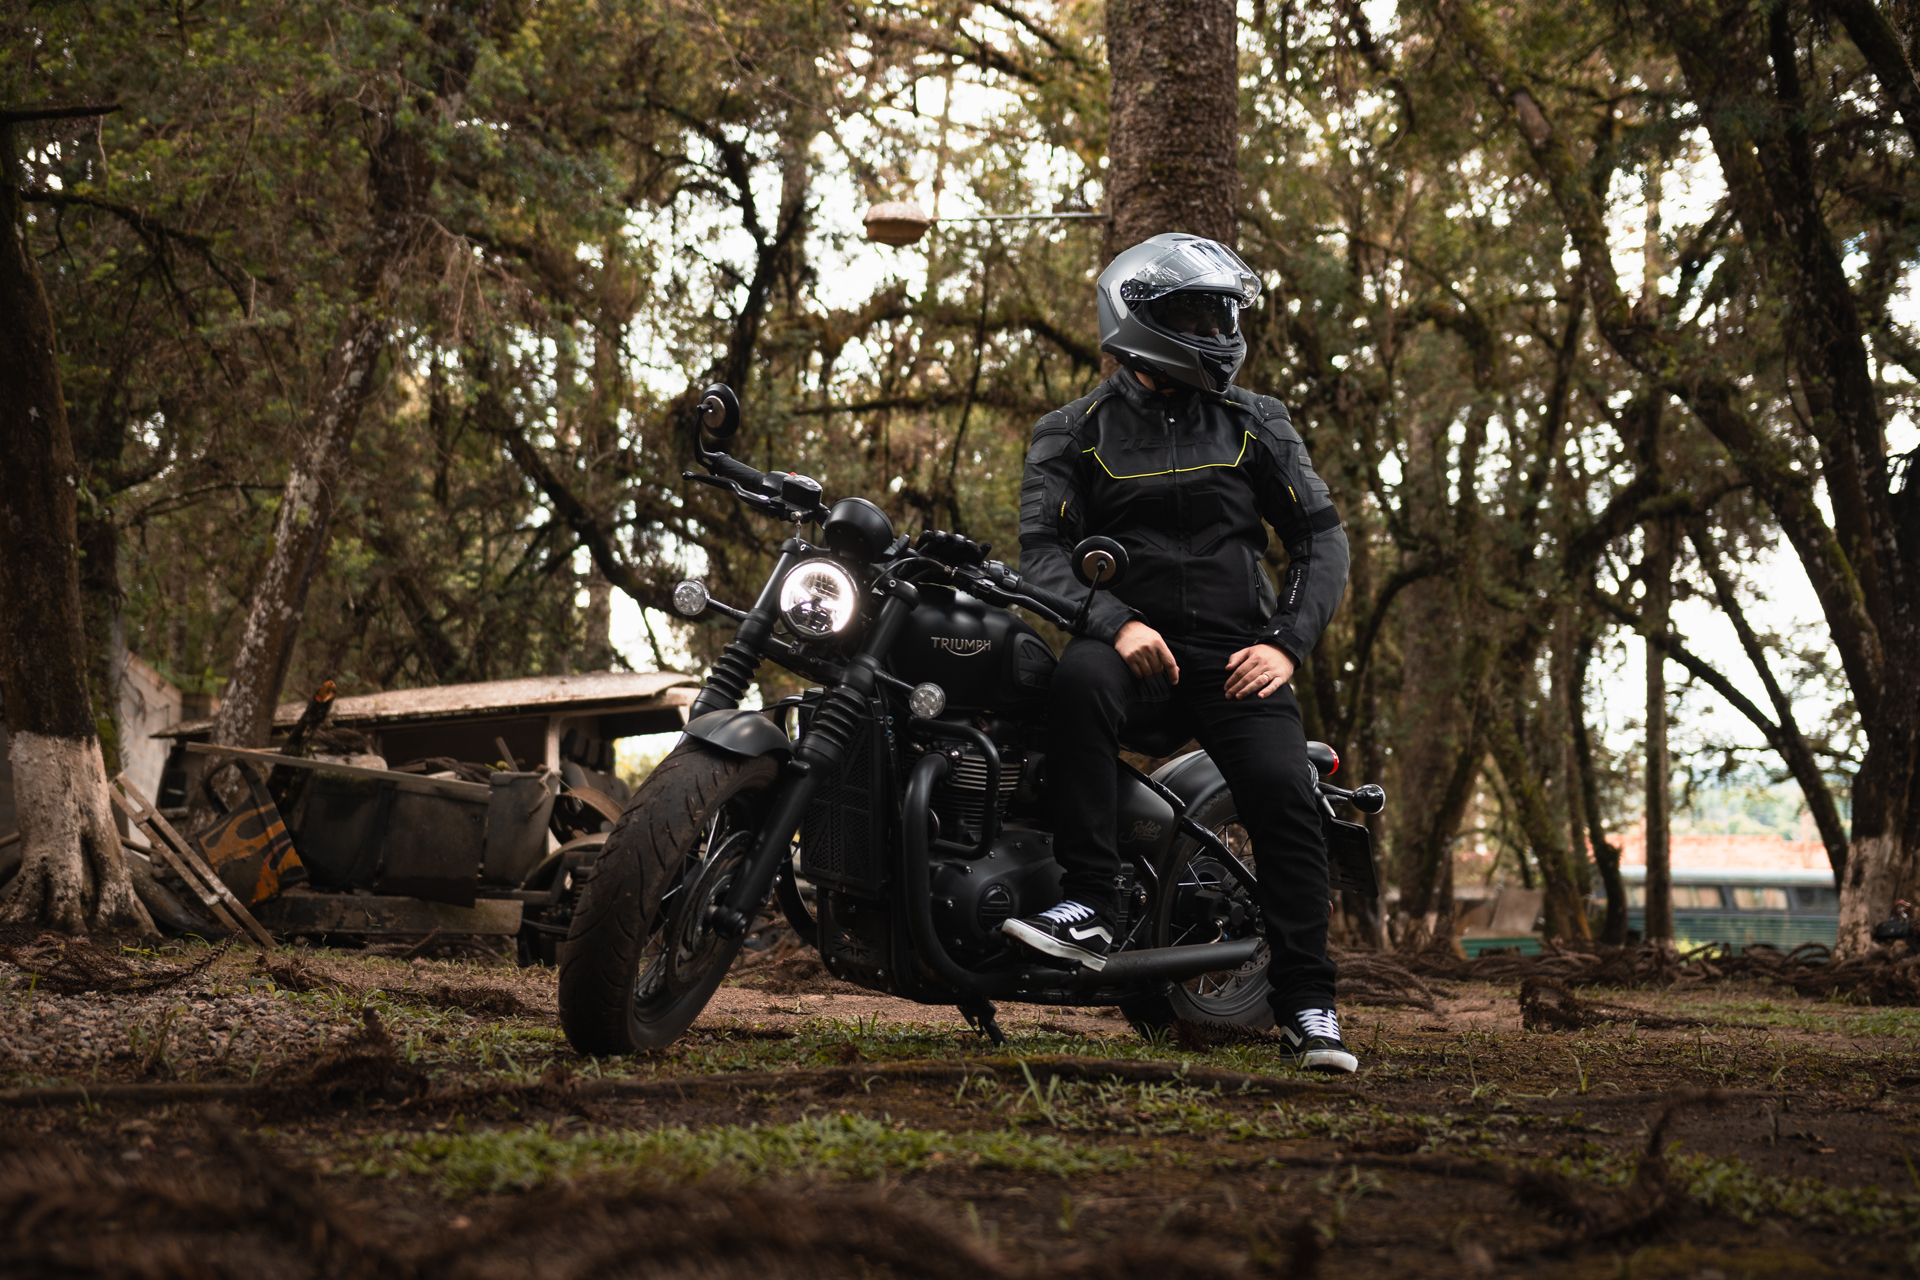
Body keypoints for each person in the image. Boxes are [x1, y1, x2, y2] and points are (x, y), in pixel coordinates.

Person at [1005, 233, 1356, 1072]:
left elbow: (1321, 540)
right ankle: (1090, 904)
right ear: (1135, 320)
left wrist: (1286, 646)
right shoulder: (1071, 431)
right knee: (1075, 681)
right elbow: (1041, 555)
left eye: (1223, 314)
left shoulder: (1255, 420)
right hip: (1131, 653)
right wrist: (1114, 622)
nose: (1218, 331)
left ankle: (1309, 1004)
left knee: (1285, 793)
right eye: (1196, 315)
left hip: (1239, 659)